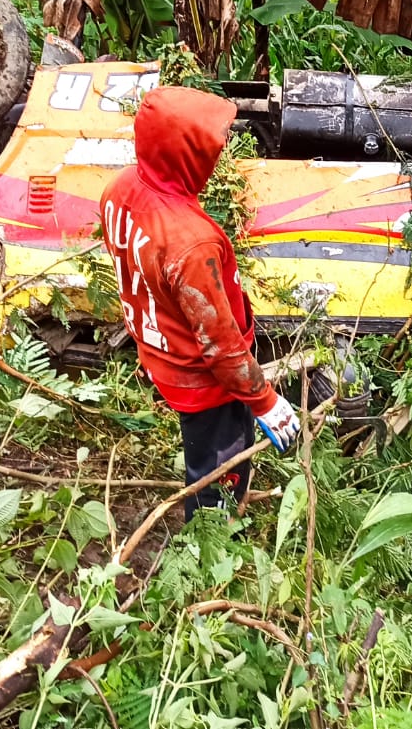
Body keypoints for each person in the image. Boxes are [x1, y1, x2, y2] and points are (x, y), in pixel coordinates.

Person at [99, 85, 300, 519]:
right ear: (183, 153)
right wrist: (265, 402)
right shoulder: (191, 242)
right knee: (219, 470)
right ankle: (210, 546)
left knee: (202, 451)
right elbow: (221, 345)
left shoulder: (121, 188)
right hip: (203, 381)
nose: (221, 150)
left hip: (161, 352)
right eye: (211, 144)